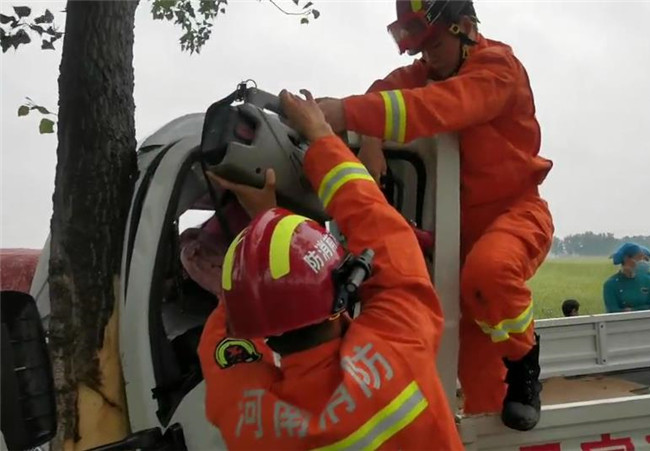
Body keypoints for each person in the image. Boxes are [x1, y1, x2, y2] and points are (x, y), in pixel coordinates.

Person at [316, 0, 554, 431]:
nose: (427, 57)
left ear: (465, 28)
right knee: (484, 395)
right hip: (457, 241)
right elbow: (384, 91)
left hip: (516, 213)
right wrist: (370, 134)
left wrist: (346, 114)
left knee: (490, 273)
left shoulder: (498, 68)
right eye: (420, 49)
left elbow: (436, 107)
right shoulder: (430, 71)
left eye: (434, 45)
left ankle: (525, 364)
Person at [197, 90, 464, 450]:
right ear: (342, 291)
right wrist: (321, 138)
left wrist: (260, 230)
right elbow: (388, 237)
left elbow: (230, 331)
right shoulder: (398, 349)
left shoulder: (245, 419)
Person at [603, 242, 650, 313]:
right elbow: (612, 310)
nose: (642, 261)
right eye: (639, 258)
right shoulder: (611, 284)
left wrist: (634, 310)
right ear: (626, 259)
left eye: (644, 258)